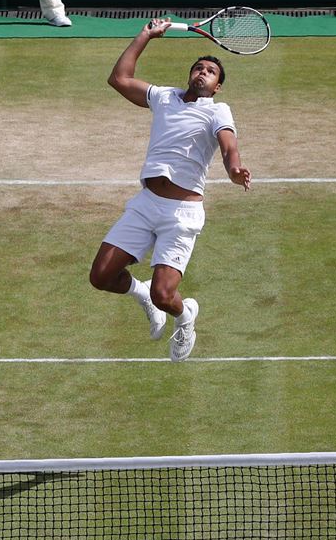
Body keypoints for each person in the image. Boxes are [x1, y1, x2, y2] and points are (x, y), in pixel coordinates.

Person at [89, 19, 251, 362]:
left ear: (217, 86)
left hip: (181, 215)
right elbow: (119, 79)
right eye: (198, 68)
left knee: (167, 296)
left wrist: (234, 169)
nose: (203, 73)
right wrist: (145, 35)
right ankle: (140, 293)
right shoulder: (164, 97)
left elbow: (228, 146)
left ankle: (184, 316)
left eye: (210, 71)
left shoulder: (217, 111)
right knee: (101, 276)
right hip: (146, 204)